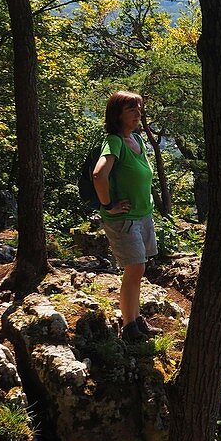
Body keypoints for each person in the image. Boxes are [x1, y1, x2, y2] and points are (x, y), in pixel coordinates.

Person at [92, 91, 159, 341]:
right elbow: (99, 175)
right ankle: (129, 326)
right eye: (132, 109)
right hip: (124, 219)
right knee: (136, 269)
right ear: (117, 114)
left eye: (139, 108)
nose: (138, 113)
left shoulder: (137, 141)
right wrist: (108, 205)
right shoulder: (114, 141)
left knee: (138, 271)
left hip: (142, 215)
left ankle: (136, 318)